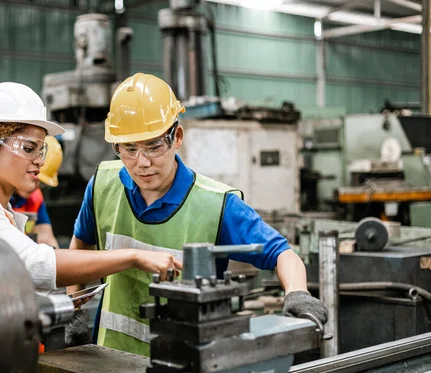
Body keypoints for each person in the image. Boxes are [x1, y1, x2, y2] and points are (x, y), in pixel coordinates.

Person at [69, 73, 328, 357]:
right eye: (129, 149)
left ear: (176, 137)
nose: (141, 163)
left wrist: (298, 294)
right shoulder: (103, 185)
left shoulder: (215, 205)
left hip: (187, 370)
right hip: (110, 361)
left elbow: (282, 254)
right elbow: (79, 247)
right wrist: (74, 308)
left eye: (154, 146)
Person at [0, 81, 182, 295]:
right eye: (28, 148)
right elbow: (35, 266)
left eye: (41, 149)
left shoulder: (0, 208)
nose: (40, 160)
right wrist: (133, 256)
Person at [10, 136, 62, 248]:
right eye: (33, 177)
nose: (35, 186)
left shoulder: (35, 198)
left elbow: (46, 238)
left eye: (41, 183)